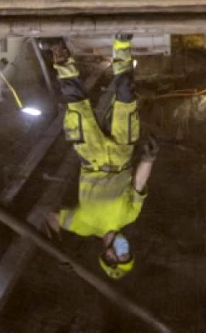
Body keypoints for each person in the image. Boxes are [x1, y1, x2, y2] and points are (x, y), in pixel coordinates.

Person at [39, 33, 156, 279]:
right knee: (125, 97)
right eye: (128, 254)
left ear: (109, 257)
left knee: (76, 102)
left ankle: (59, 50)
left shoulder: (83, 225)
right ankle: (122, 43)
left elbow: (50, 216)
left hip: (91, 158)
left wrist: (58, 249)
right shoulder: (129, 216)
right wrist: (149, 158)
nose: (125, 250)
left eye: (121, 256)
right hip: (121, 155)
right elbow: (138, 184)